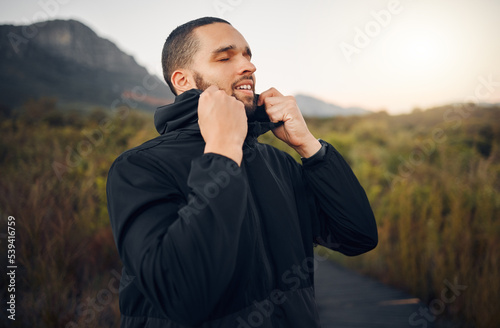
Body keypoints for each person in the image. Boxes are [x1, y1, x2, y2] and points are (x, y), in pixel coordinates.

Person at [106, 16, 378, 328]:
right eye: (225, 56)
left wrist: (308, 146)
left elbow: (357, 237)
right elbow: (182, 295)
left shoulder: (279, 164)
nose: (249, 66)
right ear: (182, 81)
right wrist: (222, 149)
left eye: (247, 55)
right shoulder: (140, 168)